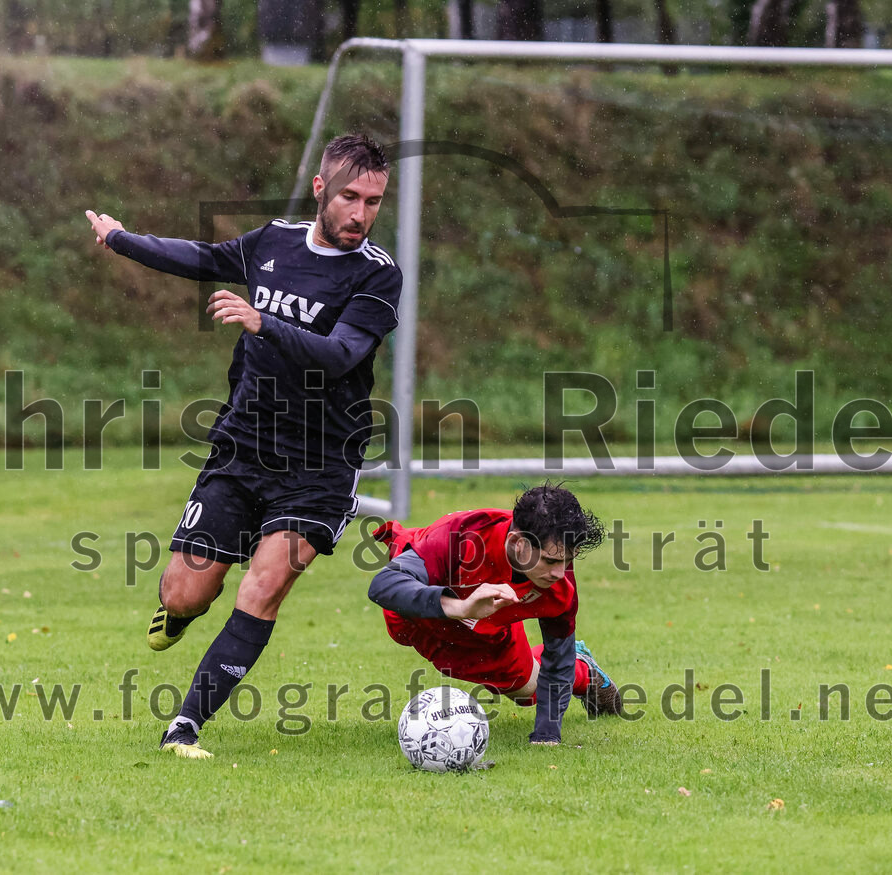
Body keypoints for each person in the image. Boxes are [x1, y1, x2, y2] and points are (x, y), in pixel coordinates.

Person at [85, 134, 401, 758]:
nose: (361, 214)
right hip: (242, 445)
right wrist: (122, 239)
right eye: (349, 197)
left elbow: (341, 356)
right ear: (321, 190)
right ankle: (178, 614)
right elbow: (203, 258)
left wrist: (264, 321)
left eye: (373, 201)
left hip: (319, 464)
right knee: (185, 591)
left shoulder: (377, 274)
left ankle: (186, 725)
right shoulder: (273, 242)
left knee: (264, 586)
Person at [369, 483, 621, 744]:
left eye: (569, 559)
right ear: (516, 542)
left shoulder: (560, 585)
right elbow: (384, 585)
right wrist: (462, 608)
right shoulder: (462, 536)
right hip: (421, 613)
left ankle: (586, 673)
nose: (561, 572)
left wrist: (547, 734)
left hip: (486, 631)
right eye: (551, 560)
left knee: (526, 690)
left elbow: (558, 659)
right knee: (397, 621)